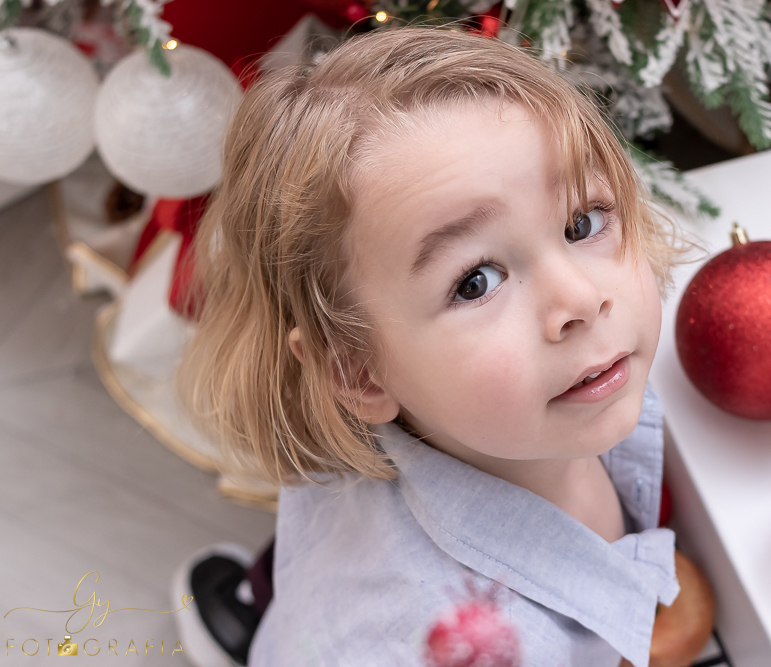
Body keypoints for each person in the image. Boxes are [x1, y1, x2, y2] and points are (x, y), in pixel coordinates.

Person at [179, 26, 714, 667]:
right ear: (358, 371)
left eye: (582, 222)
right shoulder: (479, 649)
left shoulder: (525, 397)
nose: (579, 299)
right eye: (475, 282)